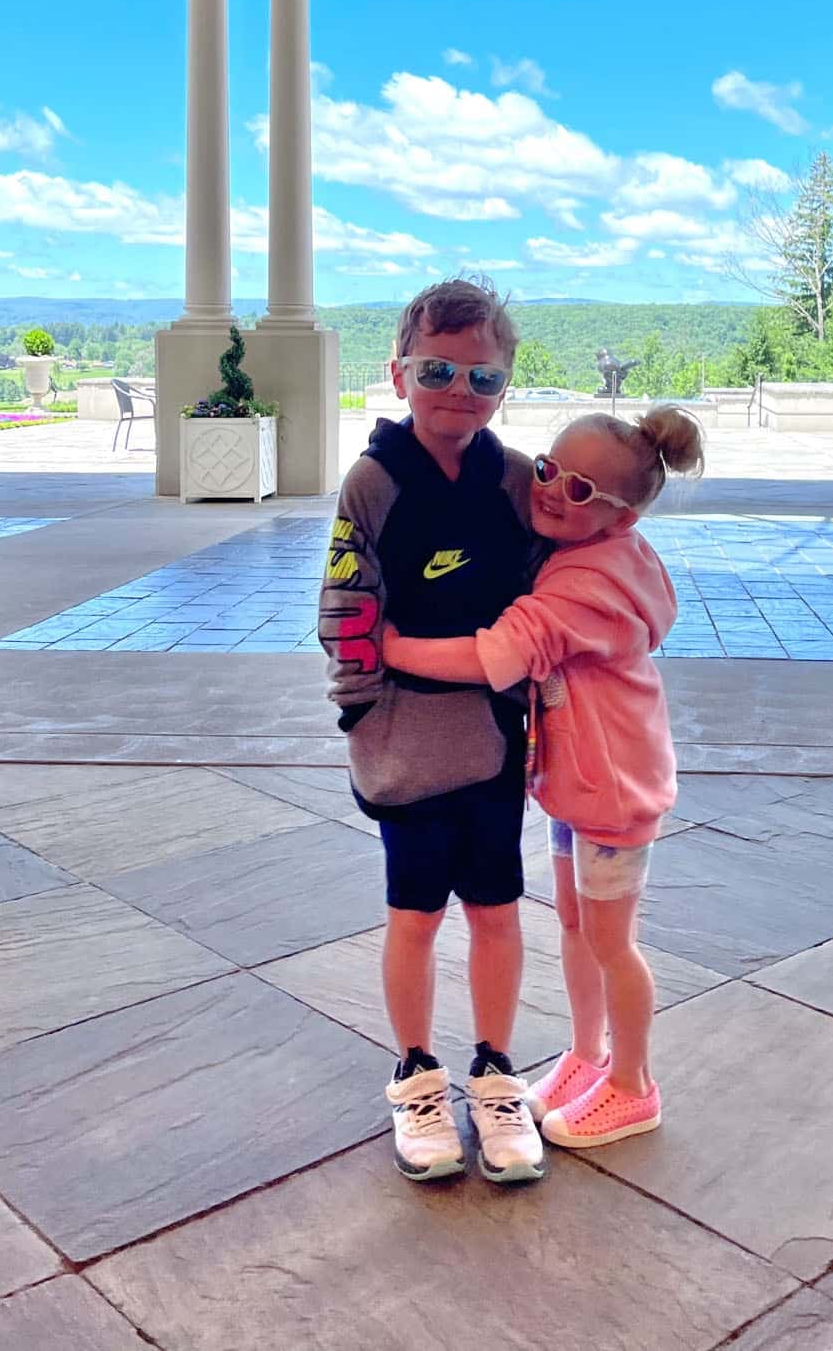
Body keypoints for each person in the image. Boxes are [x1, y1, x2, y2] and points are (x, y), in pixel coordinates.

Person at [383, 404, 704, 1150]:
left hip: (613, 789)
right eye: (550, 469)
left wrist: (391, 648)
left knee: (613, 943)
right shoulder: (598, 551)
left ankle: (633, 1085)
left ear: (623, 515)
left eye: (582, 490)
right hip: (579, 783)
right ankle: (588, 1054)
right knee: (576, 926)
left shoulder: (590, 584)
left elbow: (497, 653)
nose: (554, 491)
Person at [318, 278, 545, 1186]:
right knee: (413, 915)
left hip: (493, 739)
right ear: (399, 374)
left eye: (483, 377)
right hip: (405, 744)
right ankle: (416, 1074)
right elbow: (346, 603)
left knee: (496, 909)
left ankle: (495, 1071)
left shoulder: (516, 479)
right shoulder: (373, 482)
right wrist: (362, 710)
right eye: (437, 370)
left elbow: (556, 582)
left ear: (506, 384)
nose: (459, 392)